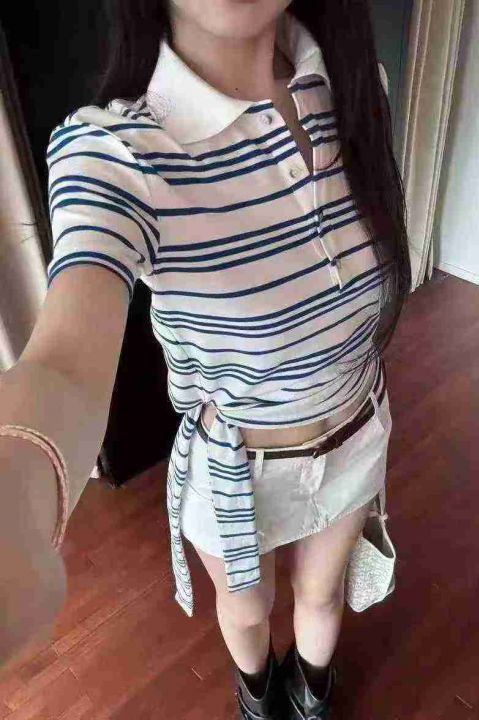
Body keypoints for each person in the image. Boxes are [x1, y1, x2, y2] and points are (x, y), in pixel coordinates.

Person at [0, 0, 411, 717]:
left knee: (322, 597)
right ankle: (258, 702)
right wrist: (17, 495)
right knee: (247, 612)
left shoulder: (355, 87)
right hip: (234, 469)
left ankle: (311, 700)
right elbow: (63, 360)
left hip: (355, 434)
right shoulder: (114, 154)